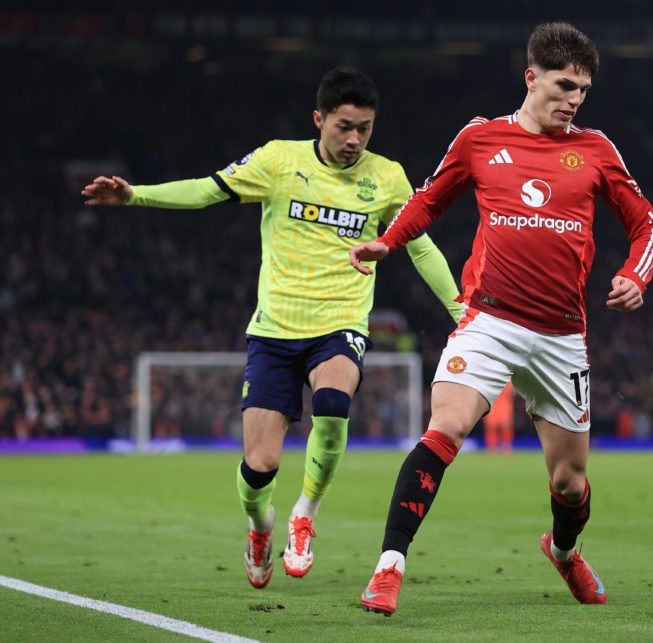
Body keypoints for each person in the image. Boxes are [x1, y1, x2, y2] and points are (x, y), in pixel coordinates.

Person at [81, 67, 462, 589]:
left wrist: (461, 313)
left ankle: (305, 513)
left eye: (365, 129)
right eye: (344, 126)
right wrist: (135, 196)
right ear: (319, 119)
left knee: (332, 406)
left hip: (341, 323)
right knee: (259, 466)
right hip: (274, 330)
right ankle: (260, 527)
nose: (354, 139)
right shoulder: (278, 160)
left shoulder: (388, 177)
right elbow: (207, 191)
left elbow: (420, 246)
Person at [349, 22, 653, 616]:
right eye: (565, 85)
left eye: (584, 90)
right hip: (490, 320)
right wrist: (387, 242)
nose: (574, 99)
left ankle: (564, 551)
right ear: (531, 77)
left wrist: (636, 275)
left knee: (569, 483)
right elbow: (429, 198)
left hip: (563, 336)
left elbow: (646, 222)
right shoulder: (480, 138)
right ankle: (389, 567)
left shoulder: (597, 150)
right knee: (445, 429)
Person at [485, 382, 516, 455]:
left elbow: (513, 390)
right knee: (491, 426)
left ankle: (507, 447)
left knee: (506, 425)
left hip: (504, 401)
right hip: (492, 402)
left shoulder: (508, 377)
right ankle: (491, 448)